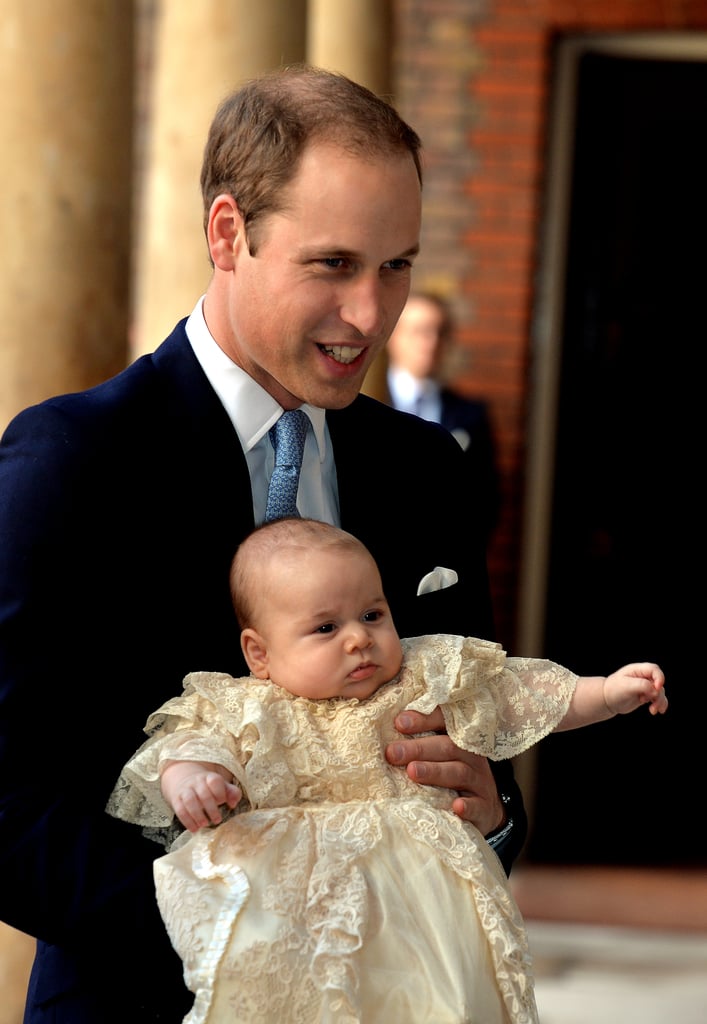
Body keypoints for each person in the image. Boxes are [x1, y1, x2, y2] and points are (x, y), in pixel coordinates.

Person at [0, 65, 526, 1024]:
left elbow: (475, 739)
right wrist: (251, 930)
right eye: (333, 264)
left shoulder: (424, 470)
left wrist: (487, 816)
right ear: (227, 234)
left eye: (397, 264)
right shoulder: (69, 458)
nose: (372, 315)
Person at [108, 517, 668, 1024]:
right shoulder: (248, 704)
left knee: (441, 1002)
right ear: (259, 654)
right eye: (325, 628)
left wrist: (605, 693)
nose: (360, 638)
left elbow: (519, 693)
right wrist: (193, 779)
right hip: (300, 914)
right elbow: (187, 742)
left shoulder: (423, 674)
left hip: (425, 907)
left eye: (373, 614)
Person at [386, 289, 501, 541]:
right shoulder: (357, 404)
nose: (431, 342)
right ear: (392, 335)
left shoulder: (471, 415)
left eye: (440, 332)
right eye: (419, 331)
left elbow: (485, 499)